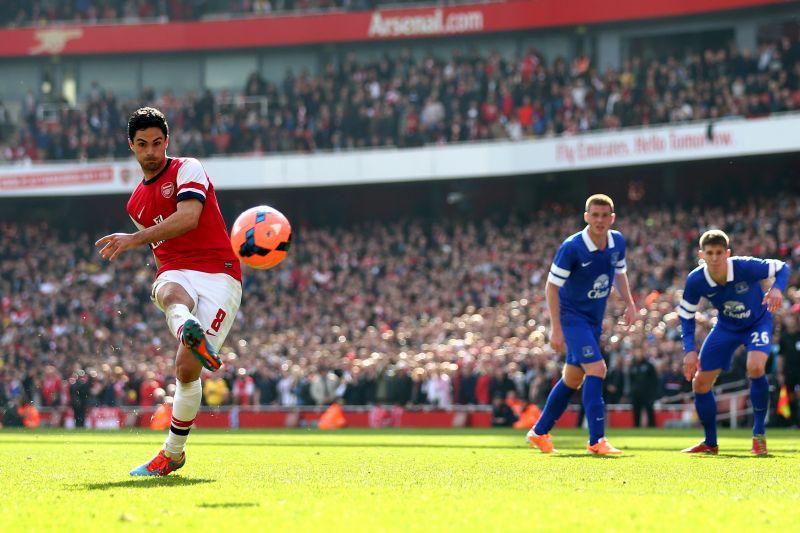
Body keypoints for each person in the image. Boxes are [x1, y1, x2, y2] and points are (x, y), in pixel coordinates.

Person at [95, 107, 242, 476]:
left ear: (167, 142)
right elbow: (162, 251)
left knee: (186, 368)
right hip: (176, 270)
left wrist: (134, 239)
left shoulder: (187, 168)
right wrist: (140, 240)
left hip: (219, 274)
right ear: (131, 146)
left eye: (157, 143)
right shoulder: (135, 204)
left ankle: (174, 451)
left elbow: (189, 217)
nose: (151, 152)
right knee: (169, 290)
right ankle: (187, 327)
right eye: (142, 144)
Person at [526, 194, 638, 455]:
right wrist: (556, 328)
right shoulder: (572, 247)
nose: (599, 220)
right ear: (586, 216)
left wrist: (630, 303)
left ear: (612, 218)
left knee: (573, 378)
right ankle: (596, 440)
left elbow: (620, 273)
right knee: (597, 369)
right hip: (571, 317)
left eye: (604, 216)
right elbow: (551, 287)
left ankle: (539, 432)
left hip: (593, 319)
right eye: (594, 215)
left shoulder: (617, 241)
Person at [678, 229, 788, 455]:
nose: (715, 258)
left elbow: (782, 267)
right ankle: (710, 442)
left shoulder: (745, 266)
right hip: (726, 327)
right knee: (699, 383)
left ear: (727, 253)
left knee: (755, 367)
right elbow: (686, 315)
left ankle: (758, 435)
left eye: (719, 252)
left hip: (757, 322)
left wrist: (777, 288)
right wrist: (689, 350)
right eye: (710, 253)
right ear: (702, 255)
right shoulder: (696, 279)